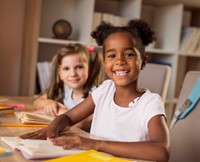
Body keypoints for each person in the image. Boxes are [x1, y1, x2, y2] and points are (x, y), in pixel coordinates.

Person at [20, 19, 170, 162]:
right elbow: (69, 117)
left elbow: (161, 151)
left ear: (143, 61)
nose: (119, 61)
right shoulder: (105, 90)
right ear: (105, 63)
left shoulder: (150, 103)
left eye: (129, 54)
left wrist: (96, 144)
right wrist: (51, 128)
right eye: (112, 55)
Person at [34, 43, 103, 130]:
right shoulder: (65, 89)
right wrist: (49, 103)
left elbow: (80, 123)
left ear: (90, 68)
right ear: (60, 73)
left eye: (79, 67)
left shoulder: (97, 93)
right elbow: (37, 102)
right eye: (66, 69)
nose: (73, 74)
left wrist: (57, 110)